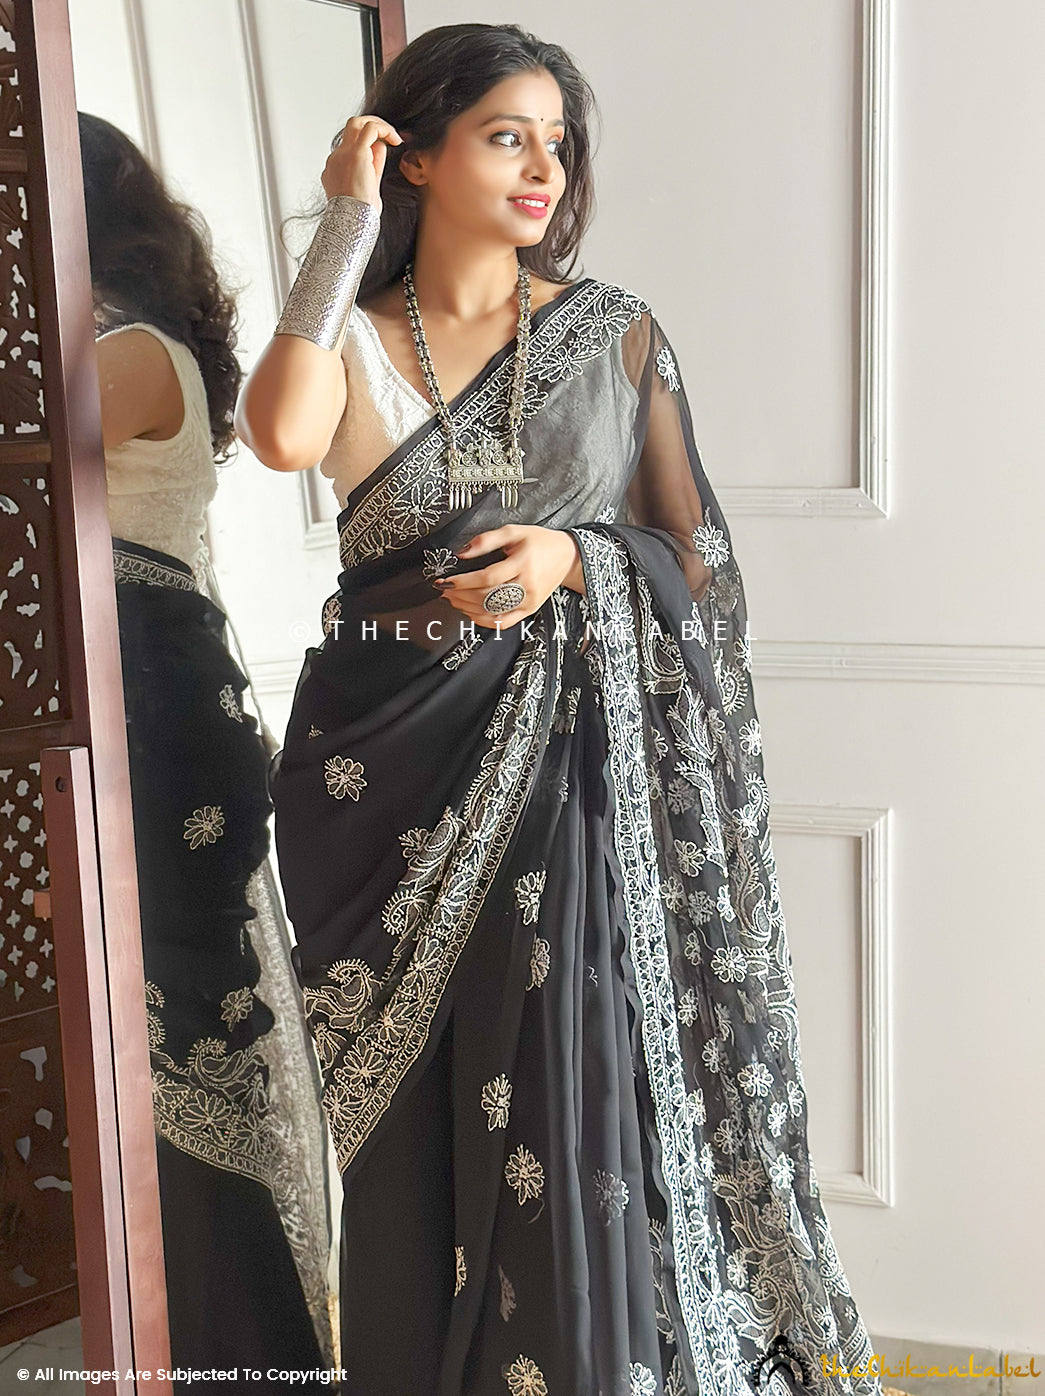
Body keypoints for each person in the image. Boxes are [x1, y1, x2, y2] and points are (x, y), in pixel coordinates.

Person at [236, 24, 881, 1396]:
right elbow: (283, 436)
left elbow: (696, 560)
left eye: (557, 141)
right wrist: (340, 229)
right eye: (505, 136)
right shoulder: (350, 335)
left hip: (560, 764)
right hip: (376, 776)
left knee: (563, 1086)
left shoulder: (614, 331)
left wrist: (576, 557)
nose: (544, 167)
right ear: (416, 152)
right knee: (402, 1130)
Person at [80, 112, 331, 1393]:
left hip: (162, 731)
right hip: (137, 716)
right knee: (133, 1053)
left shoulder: (123, 352)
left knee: (184, 1056)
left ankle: (251, 1361)